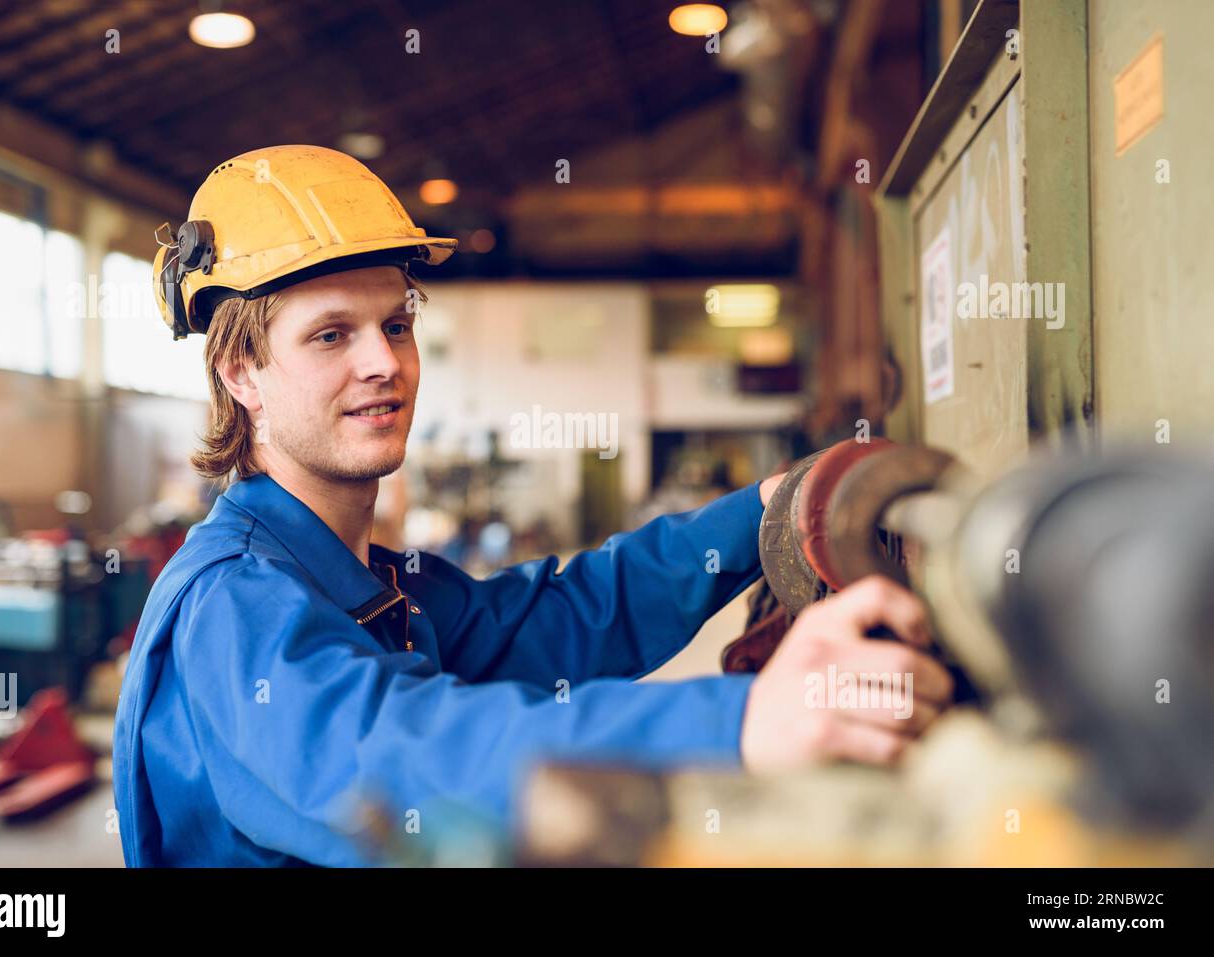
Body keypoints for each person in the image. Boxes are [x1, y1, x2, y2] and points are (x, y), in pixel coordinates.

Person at [112, 145, 954, 866]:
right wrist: (743, 721)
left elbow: (562, 617)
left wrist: (768, 507)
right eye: (331, 335)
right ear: (240, 373)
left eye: (396, 325)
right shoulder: (233, 600)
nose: (384, 363)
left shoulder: (372, 584)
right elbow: (395, 747)